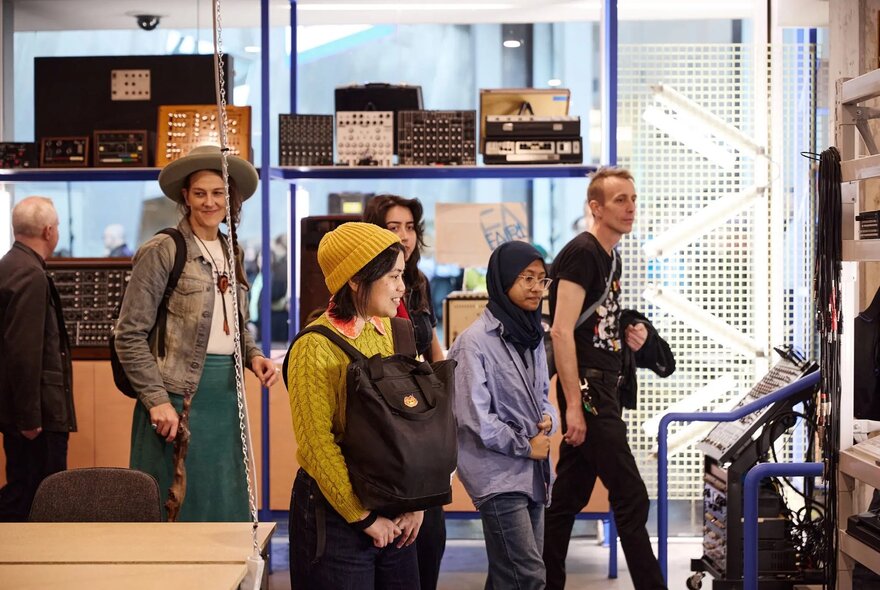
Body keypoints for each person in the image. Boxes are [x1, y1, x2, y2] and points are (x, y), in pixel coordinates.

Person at [114, 145, 278, 521]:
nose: (210, 202)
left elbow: (235, 322)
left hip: (224, 395)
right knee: (172, 505)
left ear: (230, 198)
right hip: (174, 396)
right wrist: (156, 400)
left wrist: (253, 356)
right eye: (200, 193)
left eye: (218, 193)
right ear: (185, 197)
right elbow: (129, 334)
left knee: (222, 504)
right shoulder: (163, 250)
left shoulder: (230, 250)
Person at [542, 167, 666, 590]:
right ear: (595, 207)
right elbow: (560, 330)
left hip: (603, 386)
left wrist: (628, 337)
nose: (630, 207)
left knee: (567, 500)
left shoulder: (610, 255)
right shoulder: (583, 252)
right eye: (619, 200)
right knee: (631, 495)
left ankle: (543, 581)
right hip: (590, 392)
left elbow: (587, 325)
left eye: (633, 198)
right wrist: (574, 405)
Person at [286, 222, 423, 589]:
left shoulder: (396, 335)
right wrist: (361, 517)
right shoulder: (312, 348)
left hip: (398, 510)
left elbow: (417, 427)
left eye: (402, 275)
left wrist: (417, 503)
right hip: (336, 515)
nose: (402, 287)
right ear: (356, 279)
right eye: (393, 276)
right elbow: (317, 444)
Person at [448, 240, 558, 590]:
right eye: (527, 278)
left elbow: (543, 396)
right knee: (528, 576)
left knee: (508, 576)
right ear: (504, 278)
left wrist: (549, 418)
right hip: (496, 474)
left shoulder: (534, 335)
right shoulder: (473, 342)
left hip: (533, 471)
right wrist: (527, 445)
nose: (537, 288)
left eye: (542, 279)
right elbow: (473, 418)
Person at [363, 194, 446, 589]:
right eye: (393, 226)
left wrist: (443, 397)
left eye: (410, 227)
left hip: (420, 415)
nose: (404, 235)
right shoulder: (360, 289)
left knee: (430, 541)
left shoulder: (418, 282)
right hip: (384, 422)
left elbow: (430, 348)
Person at [0, 196, 76, 521]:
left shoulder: (10, 266)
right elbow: (23, 349)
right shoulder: (31, 275)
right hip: (38, 417)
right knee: (40, 497)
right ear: (48, 231)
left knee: (24, 488)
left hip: (20, 411)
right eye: (57, 226)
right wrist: (30, 417)